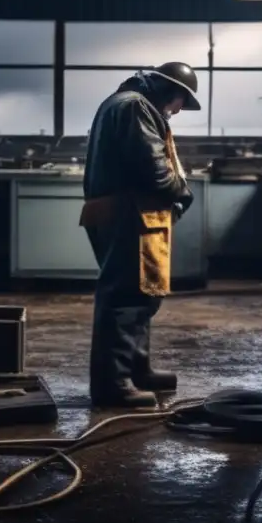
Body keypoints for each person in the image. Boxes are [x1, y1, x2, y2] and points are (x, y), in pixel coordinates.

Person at [79, 62, 200, 408]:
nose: (177, 112)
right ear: (169, 91)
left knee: (140, 294)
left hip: (123, 212)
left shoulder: (123, 102)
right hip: (127, 213)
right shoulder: (135, 106)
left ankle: (135, 368)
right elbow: (155, 171)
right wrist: (183, 192)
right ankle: (112, 385)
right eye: (180, 103)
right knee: (125, 297)